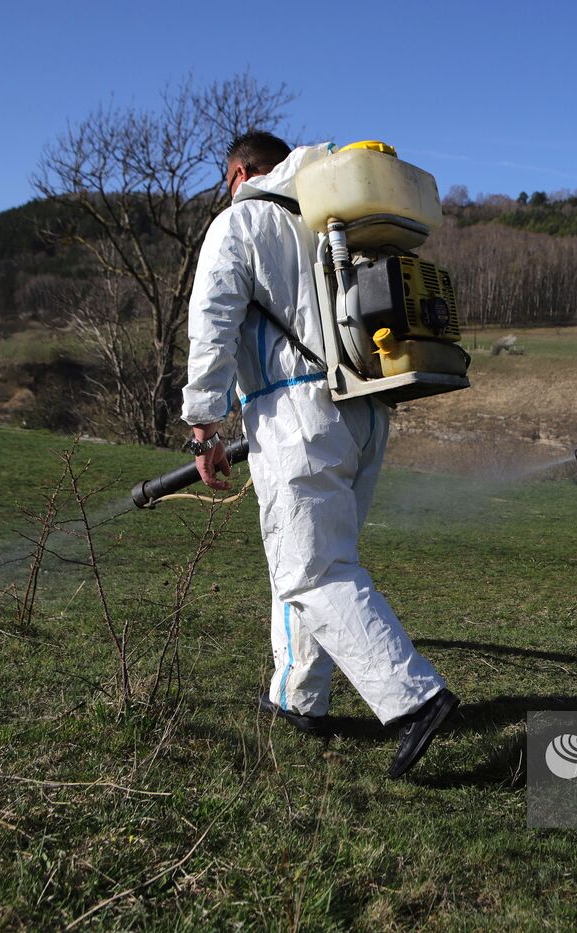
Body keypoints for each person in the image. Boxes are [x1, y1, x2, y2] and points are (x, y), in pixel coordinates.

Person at [181, 131, 457, 778]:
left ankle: (414, 698)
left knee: (313, 571)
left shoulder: (240, 221)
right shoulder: (332, 215)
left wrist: (203, 422)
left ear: (239, 173)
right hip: (365, 406)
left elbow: (213, 323)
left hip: (296, 413)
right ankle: (299, 696)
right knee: (312, 561)